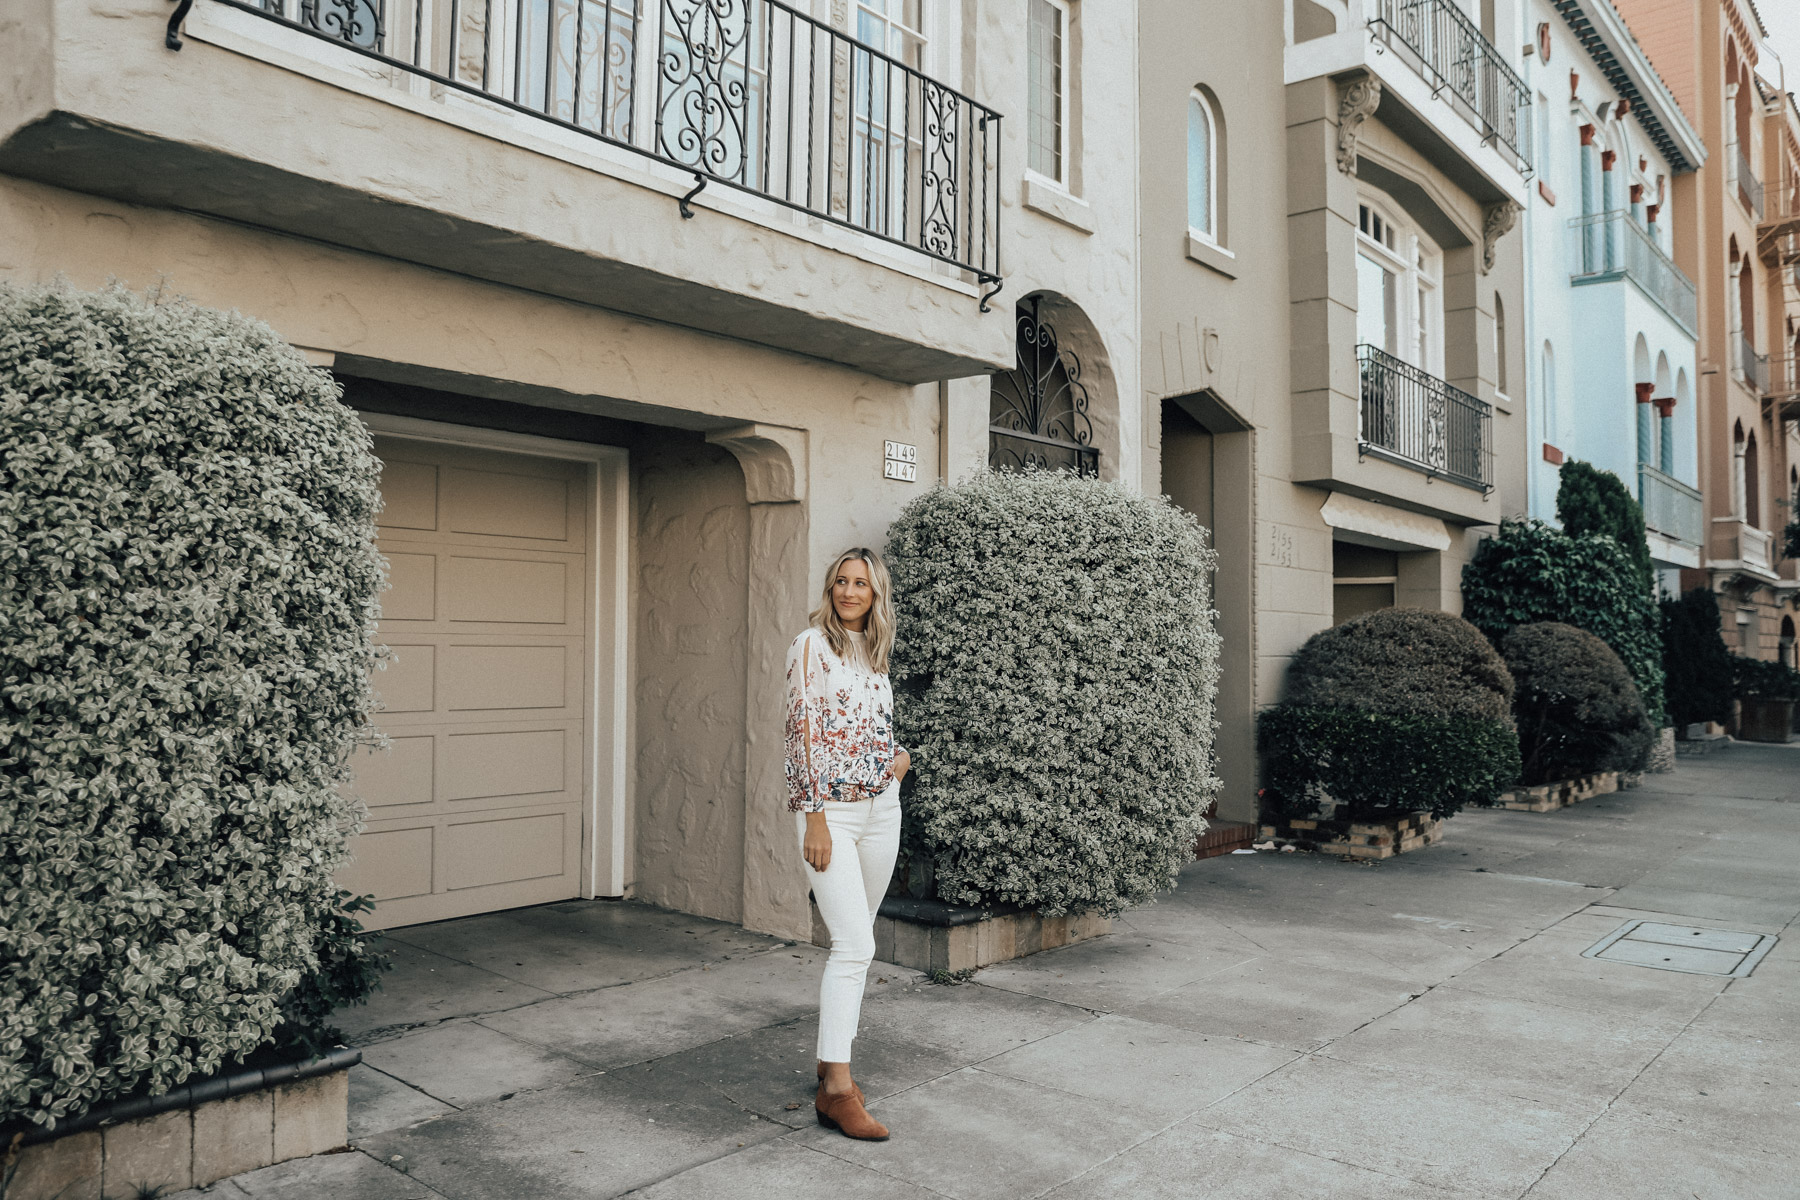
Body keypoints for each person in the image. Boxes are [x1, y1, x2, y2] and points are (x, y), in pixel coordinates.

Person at [784, 547, 910, 1141]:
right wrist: (813, 819)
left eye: (861, 583)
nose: (850, 590)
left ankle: (830, 1064)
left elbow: (870, 727)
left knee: (858, 943)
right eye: (841, 580)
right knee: (854, 946)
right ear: (830, 588)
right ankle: (837, 1090)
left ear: (876, 592)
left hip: (883, 810)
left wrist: (899, 760)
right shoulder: (812, 646)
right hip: (830, 813)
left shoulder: (875, 652)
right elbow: (801, 736)